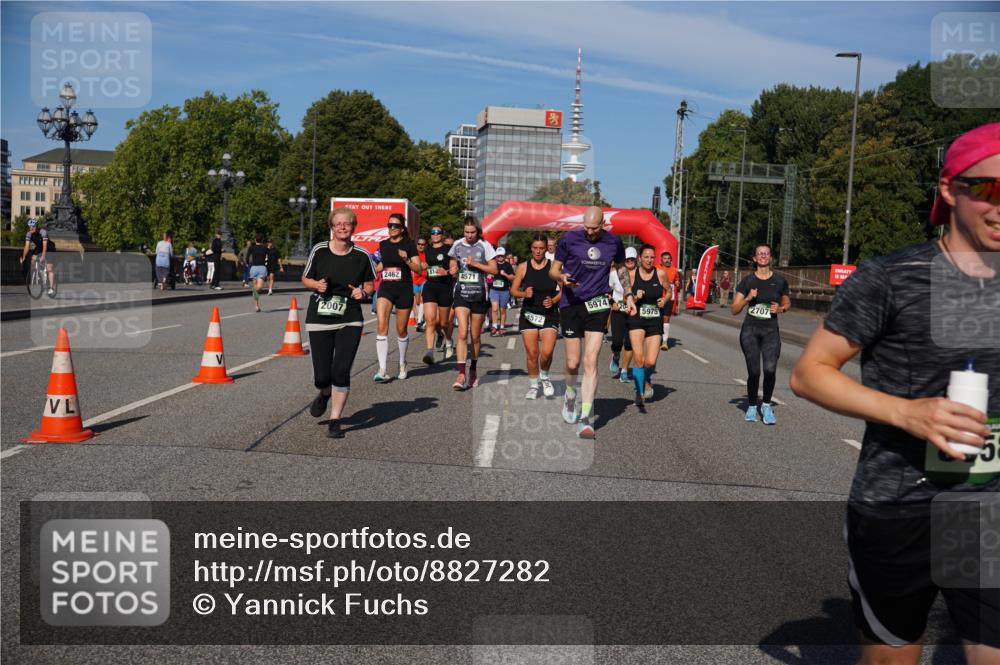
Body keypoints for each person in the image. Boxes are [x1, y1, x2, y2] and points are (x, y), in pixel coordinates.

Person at [790, 123, 1000, 665]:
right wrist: (907, 413)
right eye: (990, 190)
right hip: (898, 504)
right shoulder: (891, 277)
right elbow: (811, 372)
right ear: (951, 189)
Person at [550, 206, 631, 438]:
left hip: (597, 303)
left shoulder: (614, 242)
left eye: (594, 228)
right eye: (587, 227)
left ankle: (585, 418)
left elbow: (621, 267)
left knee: (590, 360)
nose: (590, 232)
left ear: (603, 224)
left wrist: (628, 294)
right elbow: (553, 271)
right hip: (571, 303)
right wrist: (561, 277)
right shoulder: (570, 239)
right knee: (573, 363)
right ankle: (570, 393)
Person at [302, 207, 376, 439]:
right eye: (338, 224)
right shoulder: (320, 250)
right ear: (332, 227)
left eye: (347, 223)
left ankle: (335, 420)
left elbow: (370, 285)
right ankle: (324, 393)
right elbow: (305, 278)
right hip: (319, 318)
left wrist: (362, 293)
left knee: (341, 371)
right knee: (322, 376)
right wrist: (316, 286)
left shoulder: (362, 255)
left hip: (350, 318)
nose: (342, 227)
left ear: (354, 227)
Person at [730, 243, 790, 424]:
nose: (763, 256)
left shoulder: (780, 281)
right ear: (755, 259)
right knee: (754, 372)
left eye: (766, 253)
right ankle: (751, 406)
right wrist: (748, 298)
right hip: (750, 331)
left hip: (771, 331)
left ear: (770, 258)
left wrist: (780, 308)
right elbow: (734, 309)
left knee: (770, 370)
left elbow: (787, 303)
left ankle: (766, 405)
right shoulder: (748, 282)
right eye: (759, 254)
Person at [448, 215, 497, 390]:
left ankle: (473, 369)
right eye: (466, 232)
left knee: (475, 336)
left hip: (479, 295)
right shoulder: (458, 245)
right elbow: (452, 262)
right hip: (461, 294)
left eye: (472, 232)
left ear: (478, 231)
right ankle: (461, 373)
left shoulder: (484, 246)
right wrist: (452, 269)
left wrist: (477, 264)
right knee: (462, 333)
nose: (469, 235)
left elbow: (494, 268)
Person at [373, 213, 421, 382]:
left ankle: (402, 363)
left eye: (395, 226)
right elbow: (382, 265)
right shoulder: (383, 244)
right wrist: (369, 270)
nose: (391, 228)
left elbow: (419, 269)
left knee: (401, 329)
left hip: (403, 289)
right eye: (389, 225)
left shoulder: (408, 244)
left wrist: (406, 259)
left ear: (401, 228)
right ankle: (382, 369)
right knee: (381, 325)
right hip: (386, 288)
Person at [511, 234, 560, 399]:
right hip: (530, 314)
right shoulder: (523, 267)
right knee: (532, 353)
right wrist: (524, 293)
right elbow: (513, 290)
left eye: (541, 248)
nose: (538, 251)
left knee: (546, 352)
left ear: (546, 248)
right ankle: (533, 385)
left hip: (549, 314)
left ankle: (544, 377)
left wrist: (553, 300)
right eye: (535, 248)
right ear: (531, 248)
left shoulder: (554, 267)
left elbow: (565, 290)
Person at [626, 244, 672, 407]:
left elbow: (669, 291)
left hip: (654, 320)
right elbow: (625, 297)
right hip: (636, 318)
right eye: (646, 257)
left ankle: (646, 378)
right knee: (639, 358)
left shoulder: (660, 273)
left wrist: (664, 300)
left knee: (650, 362)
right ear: (640, 258)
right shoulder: (631, 275)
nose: (649, 260)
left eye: (652, 257)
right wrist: (635, 297)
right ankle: (639, 391)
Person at [419, 225, 455, 364]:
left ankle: (448, 341)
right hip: (430, 286)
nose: (435, 234)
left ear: (442, 235)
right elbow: (422, 263)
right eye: (433, 232)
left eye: (438, 232)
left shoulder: (448, 250)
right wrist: (422, 265)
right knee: (430, 321)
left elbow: (454, 268)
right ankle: (430, 352)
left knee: (444, 322)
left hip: (445, 287)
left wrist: (446, 272)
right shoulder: (427, 249)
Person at [609, 247, 637, 382]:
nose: (630, 261)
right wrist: (612, 303)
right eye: (628, 259)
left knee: (630, 343)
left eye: (632, 259)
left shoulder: (641, 274)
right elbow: (607, 291)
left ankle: (624, 370)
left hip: (633, 313)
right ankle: (615, 356)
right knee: (617, 342)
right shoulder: (614, 274)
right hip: (618, 311)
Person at [20, 218, 56, 297]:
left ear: (37, 226)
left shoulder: (43, 232)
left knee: (49, 268)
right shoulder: (29, 234)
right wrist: (23, 257)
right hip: (39, 247)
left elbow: (45, 246)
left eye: (33, 226)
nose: (31, 228)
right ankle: (36, 273)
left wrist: (43, 256)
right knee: (32, 259)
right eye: (30, 226)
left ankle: (51, 288)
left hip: (49, 248)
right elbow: (26, 247)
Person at [489, 247, 515, 336]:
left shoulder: (508, 265)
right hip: (494, 290)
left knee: (502, 310)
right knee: (495, 308)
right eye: (498, 256)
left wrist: (506, 275)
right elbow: (487, 273)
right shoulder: (493, 264)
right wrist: (489, 276)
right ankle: (494, 326)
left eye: (501, 256)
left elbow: (512, 278)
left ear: (504, 256)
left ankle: (502, 326)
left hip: (504, 291)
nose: (500, 257)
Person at [659, 251, 679, 351]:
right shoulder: (657, 269)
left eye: (669, 259)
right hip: (658, 297)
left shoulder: (674, 270)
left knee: (666, 318)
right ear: (661, 260)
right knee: (657, 318)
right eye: (665, 258)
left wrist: (677, 282)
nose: (667, 260)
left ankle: (665, 342)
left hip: (669, 297)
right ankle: (656, 337)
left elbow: (676, 281)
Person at [246, 234, 269, 312]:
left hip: (254, 268)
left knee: (255, 287)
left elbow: (247, 257)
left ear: (255, 240)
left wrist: (247, 263)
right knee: (259, 288)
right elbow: (268, 257)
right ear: (262, 240)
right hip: (262, 267)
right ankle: (256, 305)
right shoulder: (265, 248)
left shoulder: (251, 247)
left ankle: (256, 305)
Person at [413, 237, 428, 332]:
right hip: (415, 280)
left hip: (424, 279)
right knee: (418, 301)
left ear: (425, 245)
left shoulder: (427, 255)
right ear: (417, 244)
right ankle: (421, 318)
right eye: (419, 244)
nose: (421, 246)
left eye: (423, 244)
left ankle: (419, 321)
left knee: (422, 299)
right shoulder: (413, 255)